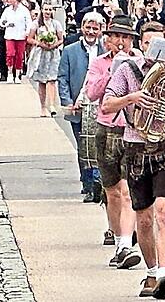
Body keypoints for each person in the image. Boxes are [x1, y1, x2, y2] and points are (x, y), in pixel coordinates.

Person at [102, 21, 165, 298]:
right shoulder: (127, 70)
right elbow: (107, 105)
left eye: (160, 43)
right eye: (148, 43)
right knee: (144, 219)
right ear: (141, 45)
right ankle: (152, 270)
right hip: (136, 149)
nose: (154, 49)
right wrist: (132, 98)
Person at [84, 15, 142, 267]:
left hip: (131, 130)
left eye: (125, 37)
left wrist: (128, 68)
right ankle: (118, 236)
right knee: (112, 191)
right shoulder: (98, 63)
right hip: (106, 130)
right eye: (116, 36)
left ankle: (125, 245)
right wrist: (113, 72)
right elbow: (92, 93)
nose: (120, 41)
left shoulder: (140, 62)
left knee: (128, 190)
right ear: (108, 39)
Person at [58, 12, 106, 202]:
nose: (91, 31)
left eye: (95, 28)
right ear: (82, 28)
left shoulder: (105, 50)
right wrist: (67, 101)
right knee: (83, 146)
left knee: (100, 146)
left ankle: (98, 183)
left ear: (101, 30)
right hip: (78, 108)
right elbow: (62, 77)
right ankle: (88, 185)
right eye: (88, 27)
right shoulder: (70, 50)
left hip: (100, 108)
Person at [26, 3, 65, 117]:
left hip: (53, 54)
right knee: (42, 82)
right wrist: (39, 43)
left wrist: (54, 45)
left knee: (52, 80)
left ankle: (52, 105)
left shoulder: (56, 24)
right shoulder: (36, 24)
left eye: (49, 9)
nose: (47, 12)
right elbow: (29, 39)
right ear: (42, 11)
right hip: (41, 54)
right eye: (45, 9)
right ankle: (43, 107)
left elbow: (61, 39)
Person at [0, 0, 32, 83]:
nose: (8, 0)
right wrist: (6, 24)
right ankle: (10, 73)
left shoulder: (24, 10)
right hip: (10, 34)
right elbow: (2, 21)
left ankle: (17, 74)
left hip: (21, 35)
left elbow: (28, 22)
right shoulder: (7, 10)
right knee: (10, 53)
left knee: (19, 55)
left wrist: (27, 32)